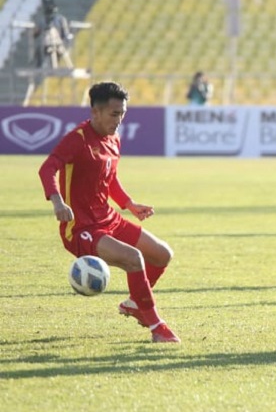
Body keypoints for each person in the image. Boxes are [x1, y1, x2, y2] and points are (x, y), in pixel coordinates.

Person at [38, 81, 180, 343]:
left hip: (108, 219)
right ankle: (157, 327)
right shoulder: (77, 139)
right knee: (133, 258)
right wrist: (57, 202)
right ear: (95, 112)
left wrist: (129, 204)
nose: (119, 120)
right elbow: (48, 168)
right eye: (114, 114)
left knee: (161, 254)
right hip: (80, 228)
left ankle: (136, 304)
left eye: (123, 114)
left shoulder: (113, 139)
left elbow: (110, 178)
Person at [33, 0, 73, 69]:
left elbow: (66, 33)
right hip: (46, 45)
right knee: (39, 52)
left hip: (59, 44)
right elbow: (36, 33)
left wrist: (66, 44)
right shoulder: (43, 20)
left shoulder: (60, 19)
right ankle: (39, 65)